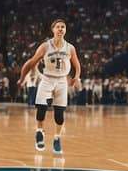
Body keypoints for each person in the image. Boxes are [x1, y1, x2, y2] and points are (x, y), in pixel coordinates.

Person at [16, 19, 82, 154]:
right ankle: (39, 132)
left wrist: (76, 77)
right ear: (53, 30)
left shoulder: (70, 48)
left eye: (63, 27)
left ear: (65, 30)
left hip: (62, 81)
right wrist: (22, 78)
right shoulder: (45, 46)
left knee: (59, 115)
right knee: (41, 109)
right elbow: (30, 63)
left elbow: (77, 65)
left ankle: (57, 138)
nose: (60, 29)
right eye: (58, 27)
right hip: (47, 79)